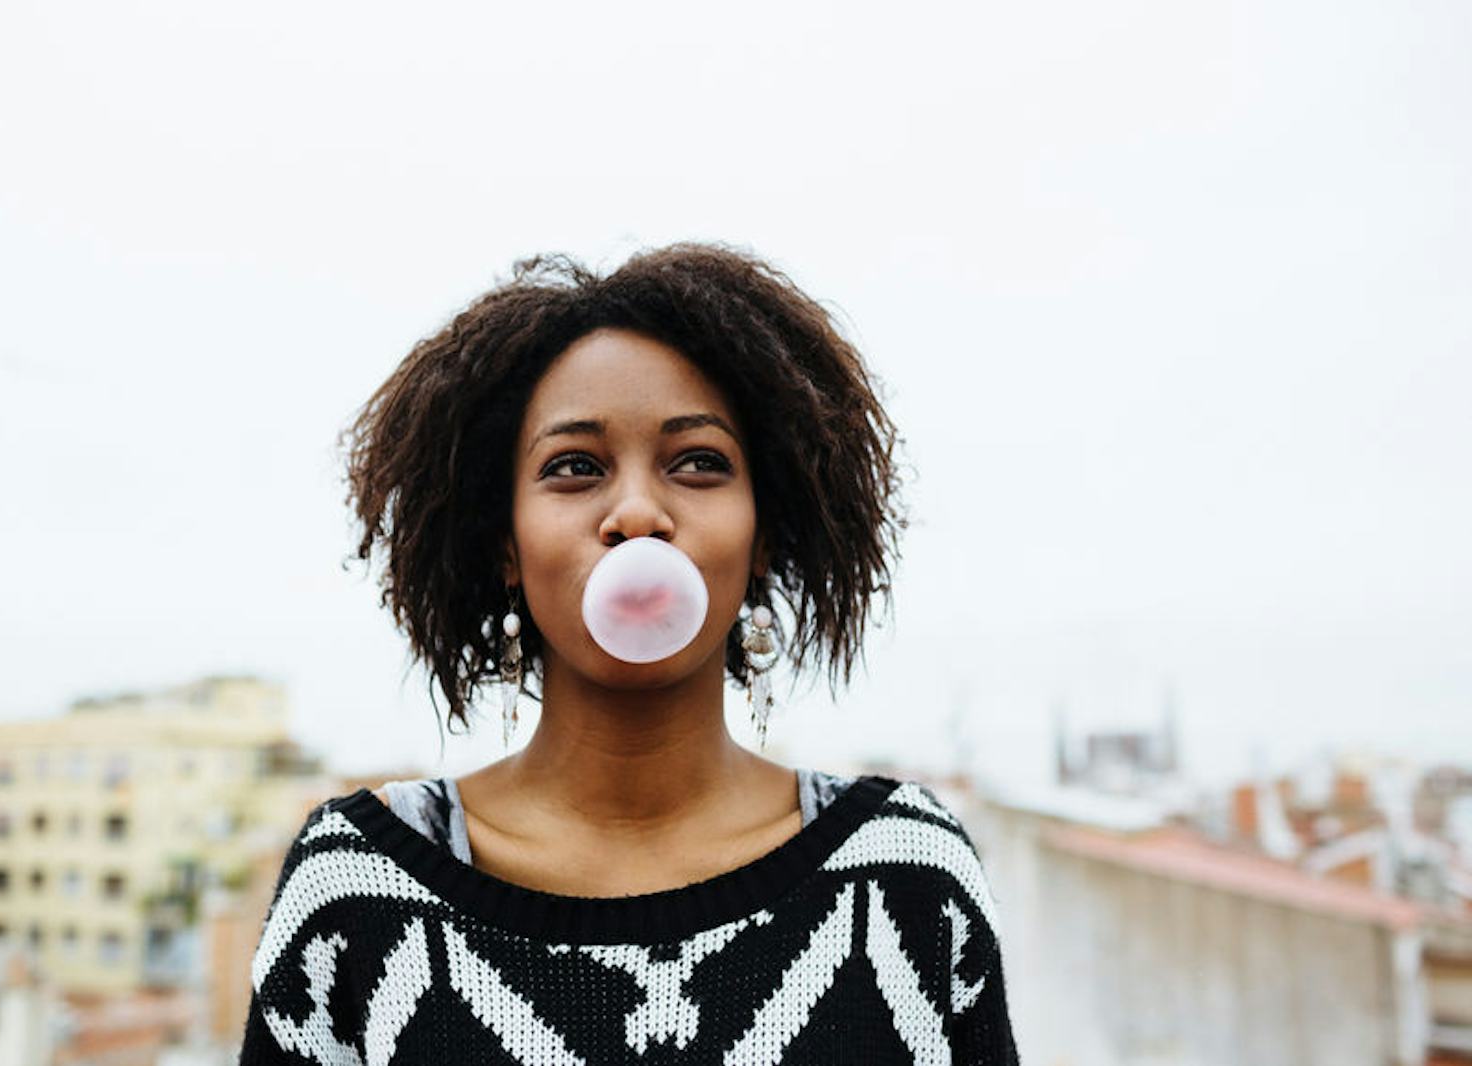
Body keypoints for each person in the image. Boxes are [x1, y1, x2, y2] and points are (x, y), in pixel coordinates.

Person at [238, 244, 1020, 1064]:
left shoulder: (906, 876)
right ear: (504, 543)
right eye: (574, 468)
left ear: (764, 535)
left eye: (699, 464)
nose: (639, 513)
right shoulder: (355, 893)